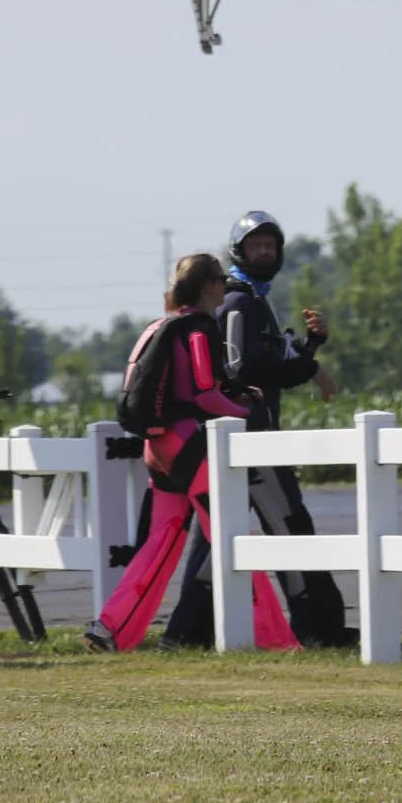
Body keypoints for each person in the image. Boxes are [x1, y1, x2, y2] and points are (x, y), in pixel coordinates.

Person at [160, 211, 354, 650]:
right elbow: (239, 368)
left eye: (270, 245)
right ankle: (318, 629)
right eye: (256, 245)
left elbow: (268, 364)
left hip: (244, 441)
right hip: (250, 441)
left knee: (217, 539)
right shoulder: (239, 300)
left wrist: (309, 350)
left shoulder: (251, 299)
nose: (265, 252)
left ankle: (185, 634)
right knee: (290, 528)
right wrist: (308, 366)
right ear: (239, 251)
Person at [87, 254, 299, 654]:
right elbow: (204, 392)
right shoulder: (200, 329)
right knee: (232, 535)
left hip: (157, 446)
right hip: (188, 447)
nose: (225, 285)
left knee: (160, 543)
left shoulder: (160, 325)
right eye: (220, 279)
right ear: (207, 286)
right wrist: (247, 411)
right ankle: (275, 638)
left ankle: (111, 629)